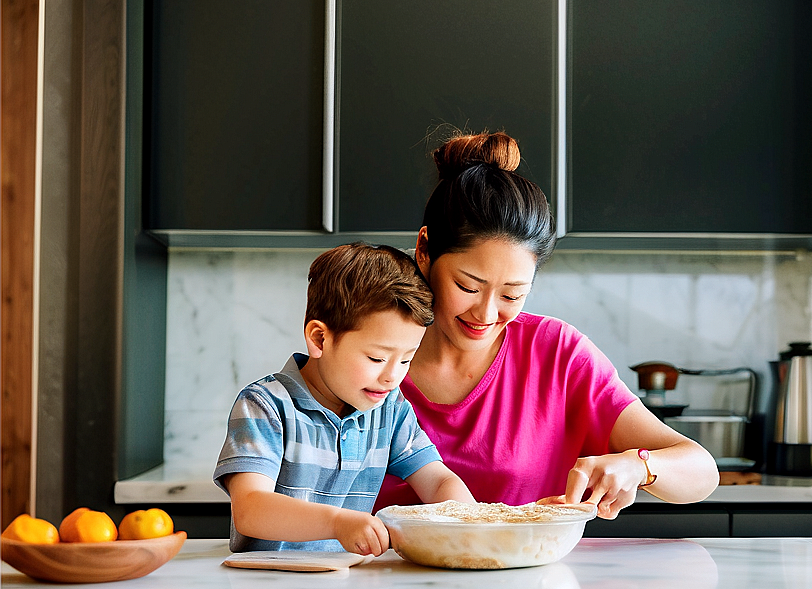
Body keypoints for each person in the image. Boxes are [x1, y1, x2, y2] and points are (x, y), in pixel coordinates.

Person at [373, 131, 719, 520]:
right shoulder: (367, 350)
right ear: (424, 250)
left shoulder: (557, 354)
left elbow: (701, 470)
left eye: (512, 295)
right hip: (381, 579)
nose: (486, 315)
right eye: (467, 286)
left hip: (528, 579)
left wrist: (638, 466)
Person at [214, 242, 476, 556]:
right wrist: (338, 523)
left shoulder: (389, 411)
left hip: (346, 585)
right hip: (268, 588)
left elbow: (437, 482)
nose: (393, 376)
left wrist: (472, 523)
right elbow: (250, 511)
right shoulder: (265, 407)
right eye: (377, 358)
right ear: (319, 339)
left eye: (406, 360)